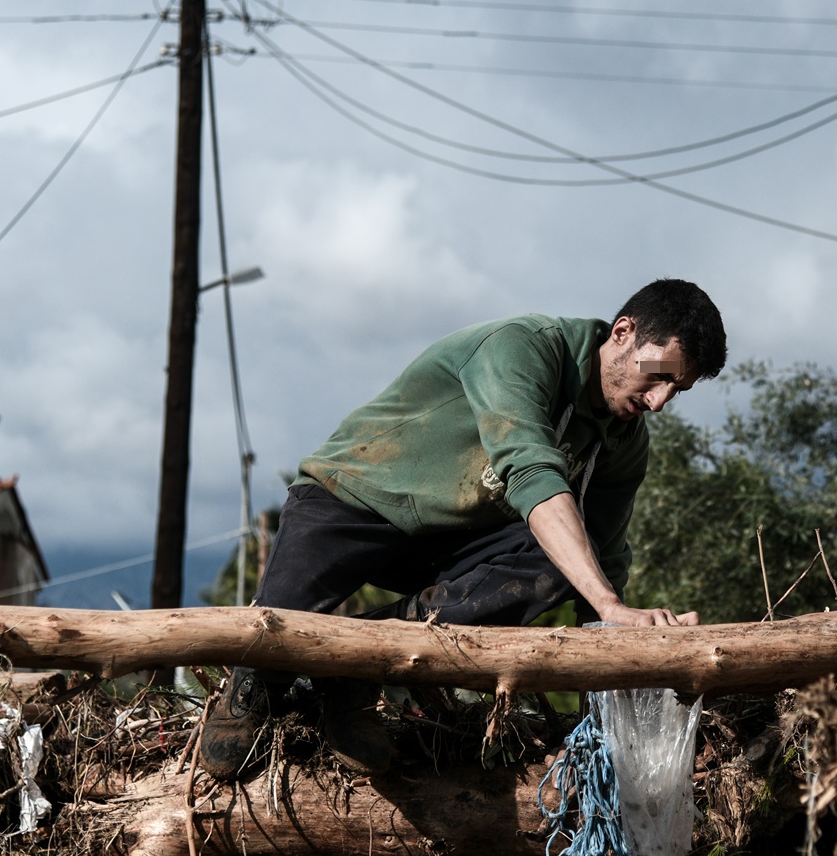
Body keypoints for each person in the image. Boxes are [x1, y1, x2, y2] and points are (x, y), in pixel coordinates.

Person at [199, 278, 727, 779]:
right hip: (349, 500)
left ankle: (361, 667)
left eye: (674, 390)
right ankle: (254, 688)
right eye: (656, 375)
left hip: (447, 542)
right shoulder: (523, 348)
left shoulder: (624, 439)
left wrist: (602, 697)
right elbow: (530, 470)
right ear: (622, 333)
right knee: (274, 643)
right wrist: (611, 607)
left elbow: (604, 562)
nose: (658, 401)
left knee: (562, 560)